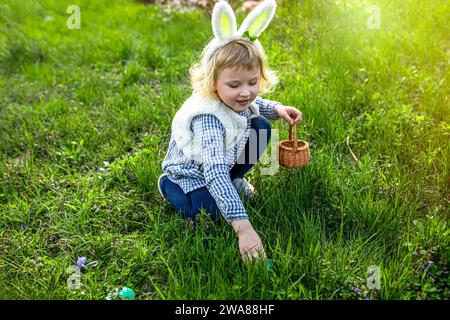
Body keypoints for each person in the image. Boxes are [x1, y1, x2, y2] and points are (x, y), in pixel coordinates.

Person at [158, 0, 302, 262]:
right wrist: (244, 228)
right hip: (192, 174)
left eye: (253, 82)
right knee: (209, 211)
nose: (245, 92)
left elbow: (253, 104)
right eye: (235, 85)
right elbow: (213, 173)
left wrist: (277, 108)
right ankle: (170, 188)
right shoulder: (208, 119)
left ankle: (233, 180)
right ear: (214, 83)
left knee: (261, 126)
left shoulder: (237, 98)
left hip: (220, 163)